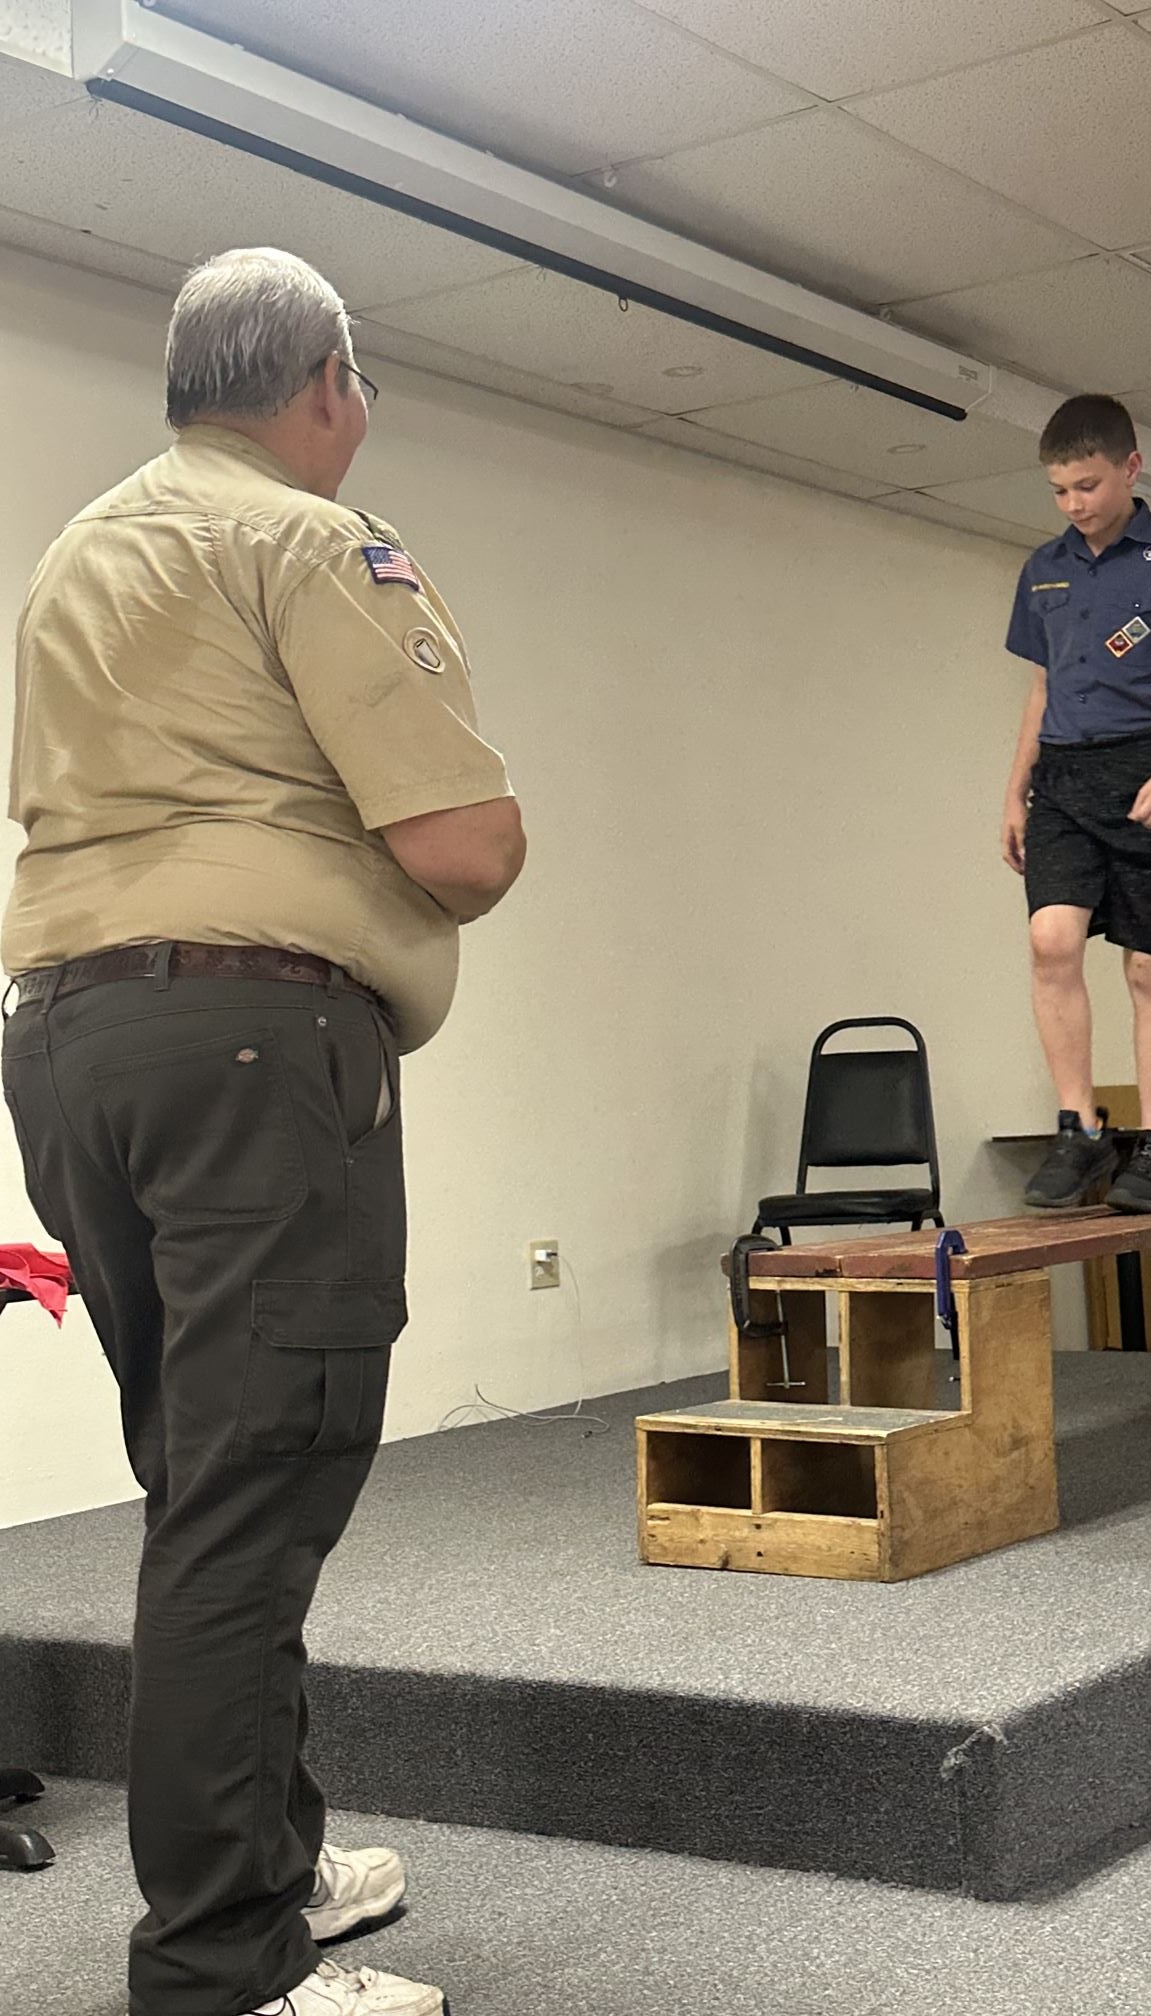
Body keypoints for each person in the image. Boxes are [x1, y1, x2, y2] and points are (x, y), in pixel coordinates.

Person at [1, 247, 524, 2016]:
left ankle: (275, 1865)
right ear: (325, 385)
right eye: (356, 387)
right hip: (250, 1049)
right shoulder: (312, 542)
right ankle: (222, 1968)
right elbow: (464, 844)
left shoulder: (81, 551)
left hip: (68, 1042)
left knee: (211, 1477)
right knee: (258, 1484)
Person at [1000, 394, 1151, 1215]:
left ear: (1131, 468)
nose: (1075, 503)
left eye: (1088, 485)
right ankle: (1080, 1126)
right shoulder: (1044, 568)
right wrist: (1015, 789)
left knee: (1149, 967)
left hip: (1150, 764)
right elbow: (1041, 688)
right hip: (1063, 775)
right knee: (1050, 940)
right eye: (1060, 490)